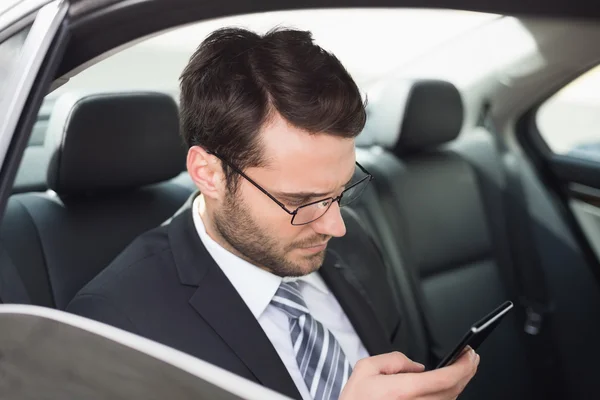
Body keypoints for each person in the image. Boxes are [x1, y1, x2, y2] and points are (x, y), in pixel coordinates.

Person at [67, 27, 479, 399]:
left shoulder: (354, 245)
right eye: (300, 201)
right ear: (208, 174)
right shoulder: (115, 328)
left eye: (341, 191)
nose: (335, 226)